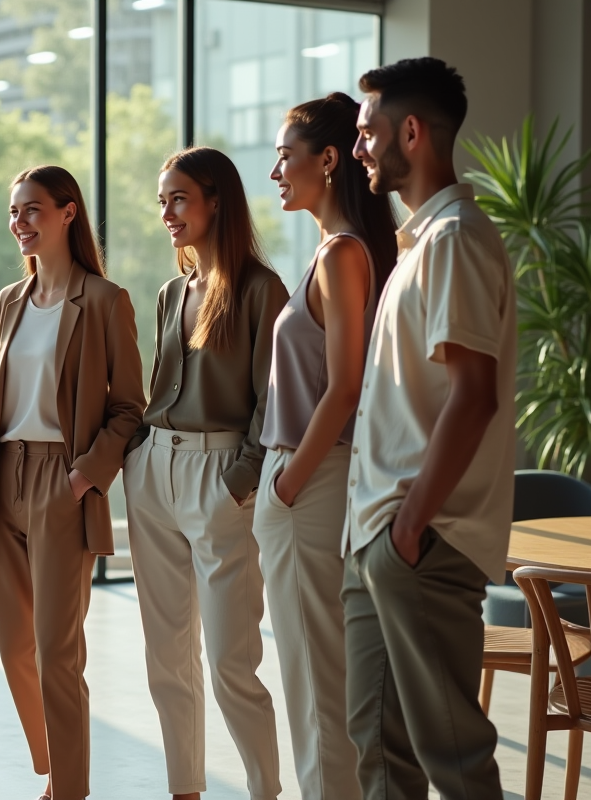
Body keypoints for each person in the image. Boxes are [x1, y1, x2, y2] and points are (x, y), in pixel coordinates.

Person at [345, 57, 514, 799]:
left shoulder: (454, 242)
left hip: (419, 541)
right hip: (383, 538)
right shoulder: (419, 246)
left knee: (453, 760)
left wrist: (409, 530)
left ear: (409, 133)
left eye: (367, 132)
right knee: (381, 757)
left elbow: (473, 397)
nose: (358, 149)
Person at [0, 165, 146, 800]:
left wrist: (85, 477)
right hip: (3, 476)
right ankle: (52, 759)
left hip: (63, 480)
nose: (19, 223)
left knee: (57, 650)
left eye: (31, 210)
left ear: (68, 213)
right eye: (14, 212)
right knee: (15, 649)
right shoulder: (9, 301)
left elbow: (128, 408)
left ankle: (68, 788)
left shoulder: (105, 301)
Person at [124, 146, 289, 800]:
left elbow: (275, 400)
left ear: (216, 199)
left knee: (229, 661)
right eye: (162, 200)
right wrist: (137, 454)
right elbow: (158, 388)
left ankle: (263, 792)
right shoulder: (173, 292)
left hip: (221, 476)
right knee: (166, 658)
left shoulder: (260, 290)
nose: (166, 212)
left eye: (178, 198)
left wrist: (239, 483)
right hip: (153, 473)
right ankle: (183, 790)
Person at [254, 92, 398, 800]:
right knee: (318, 678)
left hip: (309, 483)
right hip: (307, 481)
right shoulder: (335, 251)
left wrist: (287, 486)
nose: (276, 170)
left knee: (317, 684)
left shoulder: (342, 255)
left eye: (286, 155)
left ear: (329, 159)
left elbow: (344, 390)